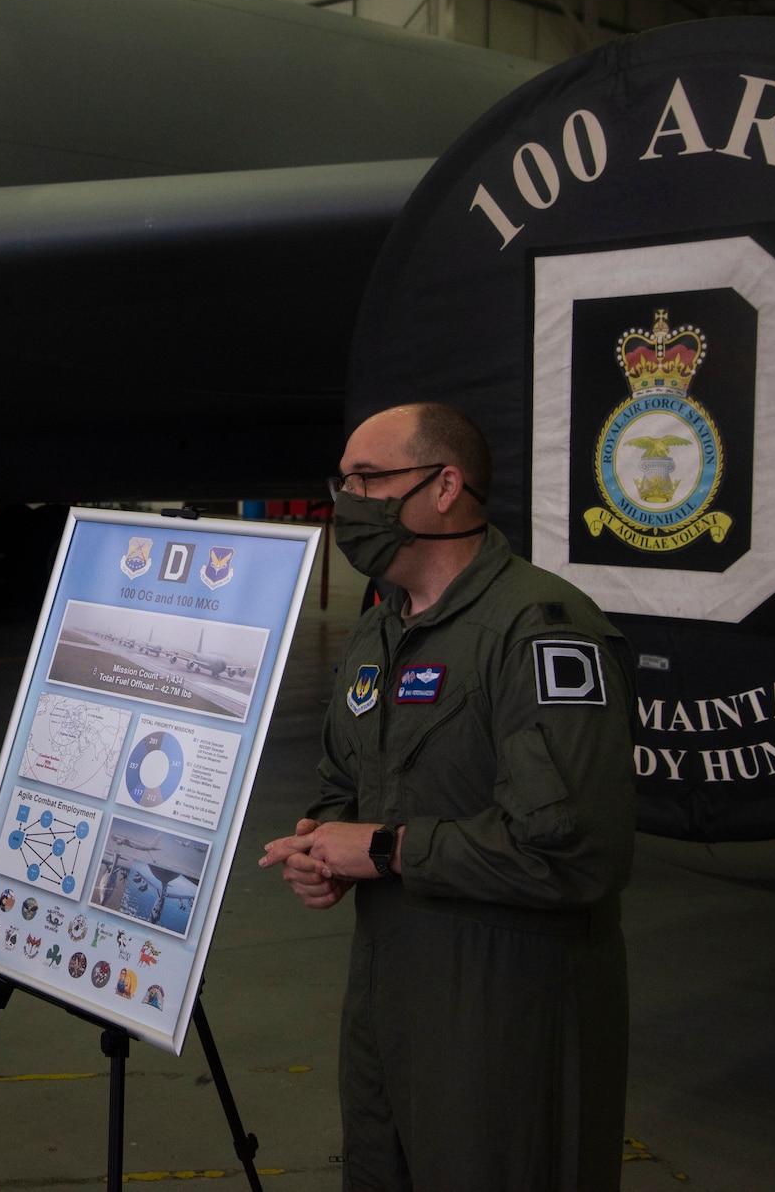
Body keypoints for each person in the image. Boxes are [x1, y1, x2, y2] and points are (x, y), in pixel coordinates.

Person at [260, 402, 636, 1192]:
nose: (347, 501)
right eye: (343, 480)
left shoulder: (539, 628)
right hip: (388, 997)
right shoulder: (377, 631)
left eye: (369, 478)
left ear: (445, 485)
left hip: (505, 1011)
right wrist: (321, 846)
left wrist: (387, 847)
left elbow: (571, 852)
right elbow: (343, 787)